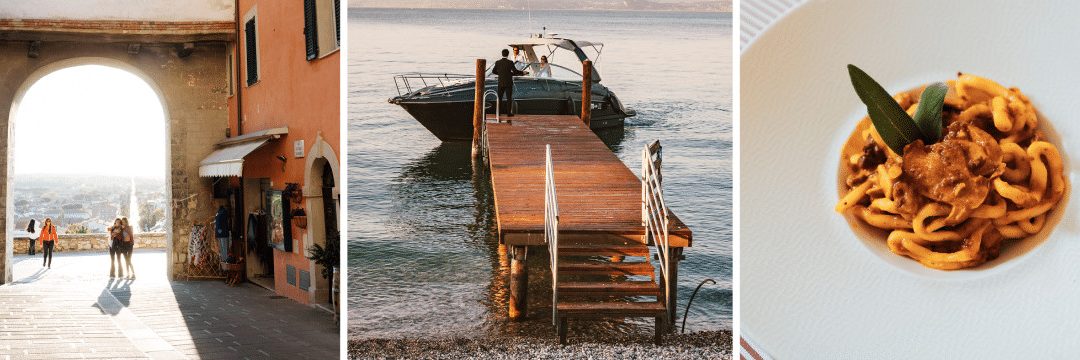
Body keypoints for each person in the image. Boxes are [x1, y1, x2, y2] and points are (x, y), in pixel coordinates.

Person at [493, 49, 526, 116]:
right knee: (509, 98)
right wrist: (522, 72)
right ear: (507, 54)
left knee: (499, 98)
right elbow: (515, 71)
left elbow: (493, 71)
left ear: (502, 54)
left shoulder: (497, 62)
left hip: (501, 82)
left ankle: (499, 113)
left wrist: (500, 73)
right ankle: (508, 113)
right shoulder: (510, 62)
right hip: (508, 82)